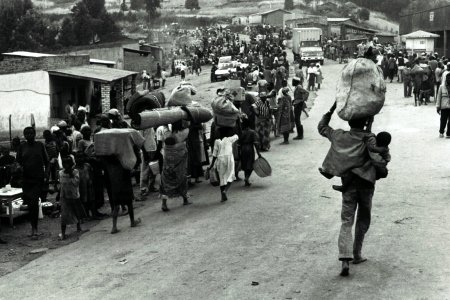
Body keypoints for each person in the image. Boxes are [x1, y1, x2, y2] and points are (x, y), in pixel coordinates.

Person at [318, 102, 379, 277]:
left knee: (346, 220)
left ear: (349, 123)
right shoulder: (369, 137)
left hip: (348, 184)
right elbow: (376, 156)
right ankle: (357, 254)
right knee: (363, 218)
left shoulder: (339, 135)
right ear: (365, 121)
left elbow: (322, 127)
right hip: (366, 184)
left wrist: (330, 110)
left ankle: (345, 259)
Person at [16, 127, 49, 239]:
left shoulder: (40, 145)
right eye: (26, 134)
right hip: (26, 180)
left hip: (37, 179)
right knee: (30, 205)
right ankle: (33, 228)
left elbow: (47, 162)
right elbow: (18, 163)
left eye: (31, 133)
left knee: (34, 202)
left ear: (34, 134)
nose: (29, 135)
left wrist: (46, 176)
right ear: (24, 135)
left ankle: (34, 229)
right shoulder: (22, 147)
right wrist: (18, 169)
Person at [158, 121, 192, 212]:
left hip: (167, 169)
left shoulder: (166, 146)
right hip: (178, 170)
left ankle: (164, 204)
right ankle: (185, 199)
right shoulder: (181, 144)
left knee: (165, 186)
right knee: (182, 182)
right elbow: (185, 153)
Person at [59, 157, 87, 240]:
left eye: (68, 164)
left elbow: (76, 183)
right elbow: (61, 184)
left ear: (71, 165)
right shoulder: (61, 173)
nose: (66, 166)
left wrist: (71, 175)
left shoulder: (75, 172)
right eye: (64, 164)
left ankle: (79, 227)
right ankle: (63, 233)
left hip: (74, 195)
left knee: (76, 211)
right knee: (64, 215)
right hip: (64, 196)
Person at [208, 127, 239, 202]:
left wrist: (211, 165)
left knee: (222, 178)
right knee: (231, 175)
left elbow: (214, 155)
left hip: (220, 160)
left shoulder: (216, 141)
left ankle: (222, 196)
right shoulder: (229, 139)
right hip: (228, 159)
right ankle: (225, 190)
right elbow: (237, 135)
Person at [240, 118, 261, 186]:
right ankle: (247, 178)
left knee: (245, 164)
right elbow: (255, 143)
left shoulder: (241, 132)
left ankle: (246, 180)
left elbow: (238, 143)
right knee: (251, 165)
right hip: (249, 149)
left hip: (243, 149)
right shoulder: (252, 132)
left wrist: (238, 152)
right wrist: (258, 153)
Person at [436, 72, 450, 138]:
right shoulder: (442, 86)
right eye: (448, 78)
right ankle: (441, 132)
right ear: (446, 79)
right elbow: (438, 97)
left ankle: (448, 133)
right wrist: (438, 106)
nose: (449, 79)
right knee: (443, 120)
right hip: (444, 106)